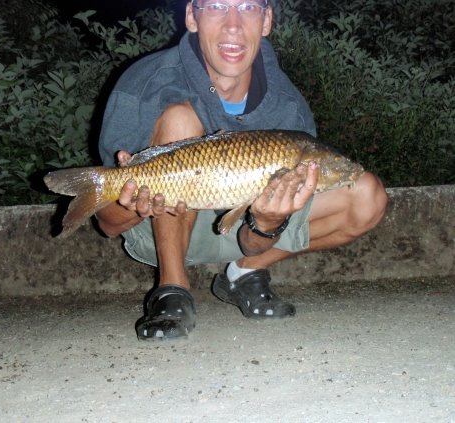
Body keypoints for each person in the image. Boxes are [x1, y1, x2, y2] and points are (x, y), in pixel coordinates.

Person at [96, 0, 388, 340]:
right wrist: (134, 204)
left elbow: (252, 242)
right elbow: (107, 224)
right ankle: (172, 289)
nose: (232, 24)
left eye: (248, 7)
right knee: (179, 119)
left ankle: (243, 275)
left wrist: (267, 223)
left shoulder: (287, 107)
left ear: (266, 20)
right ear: (192, 16)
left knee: (367, 196)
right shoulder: (145, 83)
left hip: (243, 230)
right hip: (161, 228)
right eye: (217, 6)